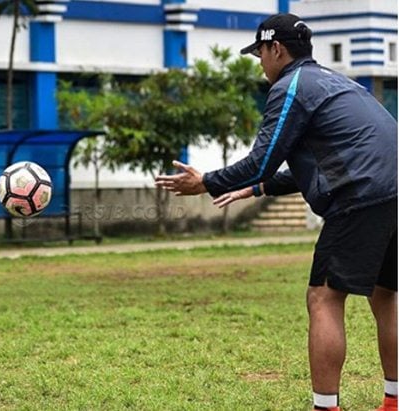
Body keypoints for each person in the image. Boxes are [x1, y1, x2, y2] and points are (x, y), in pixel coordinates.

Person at [155, 13, 397, 411]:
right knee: (385, 295)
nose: (260, 63)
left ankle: (325, 407)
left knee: (323, 298)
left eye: (260, 54)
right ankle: (393, 401)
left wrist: (207, 181)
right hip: (393, 190)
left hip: (361, 196)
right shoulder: (336, 82)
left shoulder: (291, 86)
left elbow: (261, 159)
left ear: (276, 49)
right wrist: (258, 188)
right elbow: (329, 159)